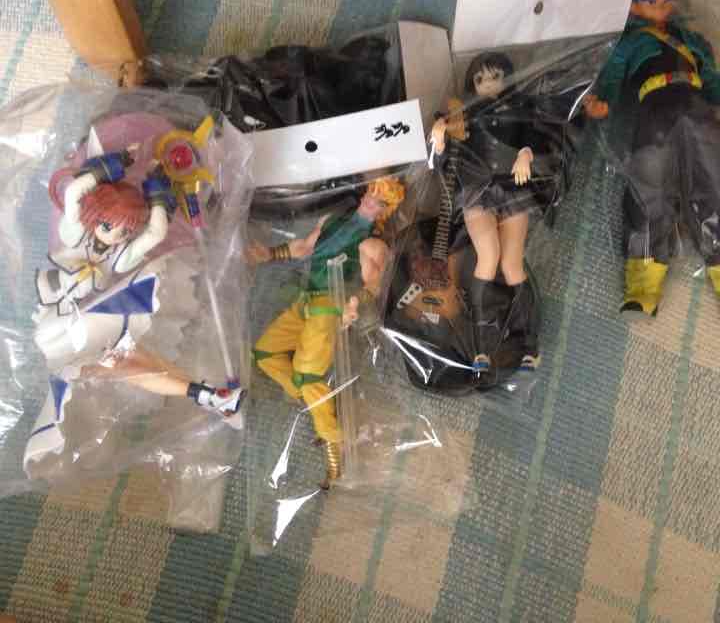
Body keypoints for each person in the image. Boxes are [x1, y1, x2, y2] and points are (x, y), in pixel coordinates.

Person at [26, 143, 242, 469]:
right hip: (60, 327)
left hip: (90, 324)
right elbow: (73, 192)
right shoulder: (74, 234)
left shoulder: (119, 255)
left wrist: (157, 192)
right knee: (129, 365)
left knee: (133, 365)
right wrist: (116, 163)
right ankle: (211, 396)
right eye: (109, 225)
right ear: (95, 215)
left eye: (125, 230)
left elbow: (154, 233)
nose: (115, 235)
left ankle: (210, 396)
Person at [584, 0, 720, 317]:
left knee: (712, 179)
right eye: (655, 1)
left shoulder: (691, 40)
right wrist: (603, 102)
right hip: (654, 109)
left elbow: (710, 77)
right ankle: (643, 281)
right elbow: (612, 77)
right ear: (633, 5)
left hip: (696, 106)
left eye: (668, 1)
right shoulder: (629, 43)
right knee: (648, 188)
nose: (665, 7)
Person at [250, 177, 405, 481]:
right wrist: (270, 254)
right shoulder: (332, 220)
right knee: (265, 353)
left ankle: (334, 440)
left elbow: (374, 286)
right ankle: (317, 403)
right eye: (371, 191)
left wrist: (354, 304)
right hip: (305, 299)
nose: (371, 199)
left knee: (308, 374)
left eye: (380, 200)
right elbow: (304, 247)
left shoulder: (372, 244)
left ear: (386, 210)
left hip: (330, 305)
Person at [430, 52, 566, 374]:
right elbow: (440, 165)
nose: (488, 84)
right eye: (480, 79)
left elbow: (536, 139)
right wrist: (438, 139)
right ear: (471, 84)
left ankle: (530, 346)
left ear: (508, 77)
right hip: (477, 193)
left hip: (513, 191)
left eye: (495, 77)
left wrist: (525, 154)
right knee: (488, 258)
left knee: (512, 265)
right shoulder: (462, 115)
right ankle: (481, 346)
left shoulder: (521, 110)